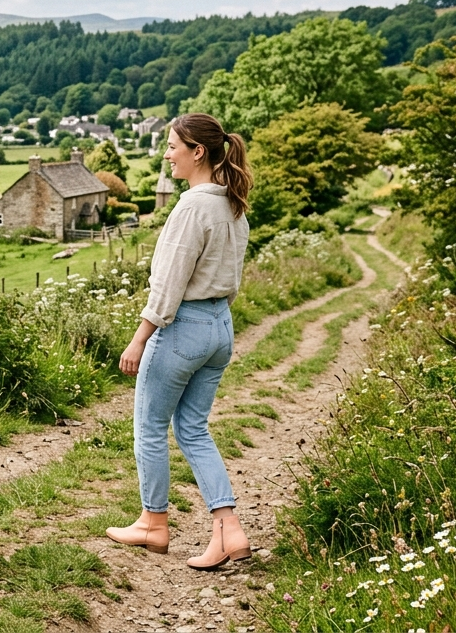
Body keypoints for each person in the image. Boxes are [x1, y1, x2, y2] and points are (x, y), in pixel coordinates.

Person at [105, 112, 254, 571]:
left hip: (183, 327)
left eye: (172, 147)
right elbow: (231, 280)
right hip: (220, 327)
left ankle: (153, 522)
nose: (166, 155)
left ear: (198, 152)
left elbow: (167, 287)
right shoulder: (233, 204)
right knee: (192, 429)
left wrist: (138, 340)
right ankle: (229, 529)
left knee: (150, 426)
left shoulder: (191, 207)